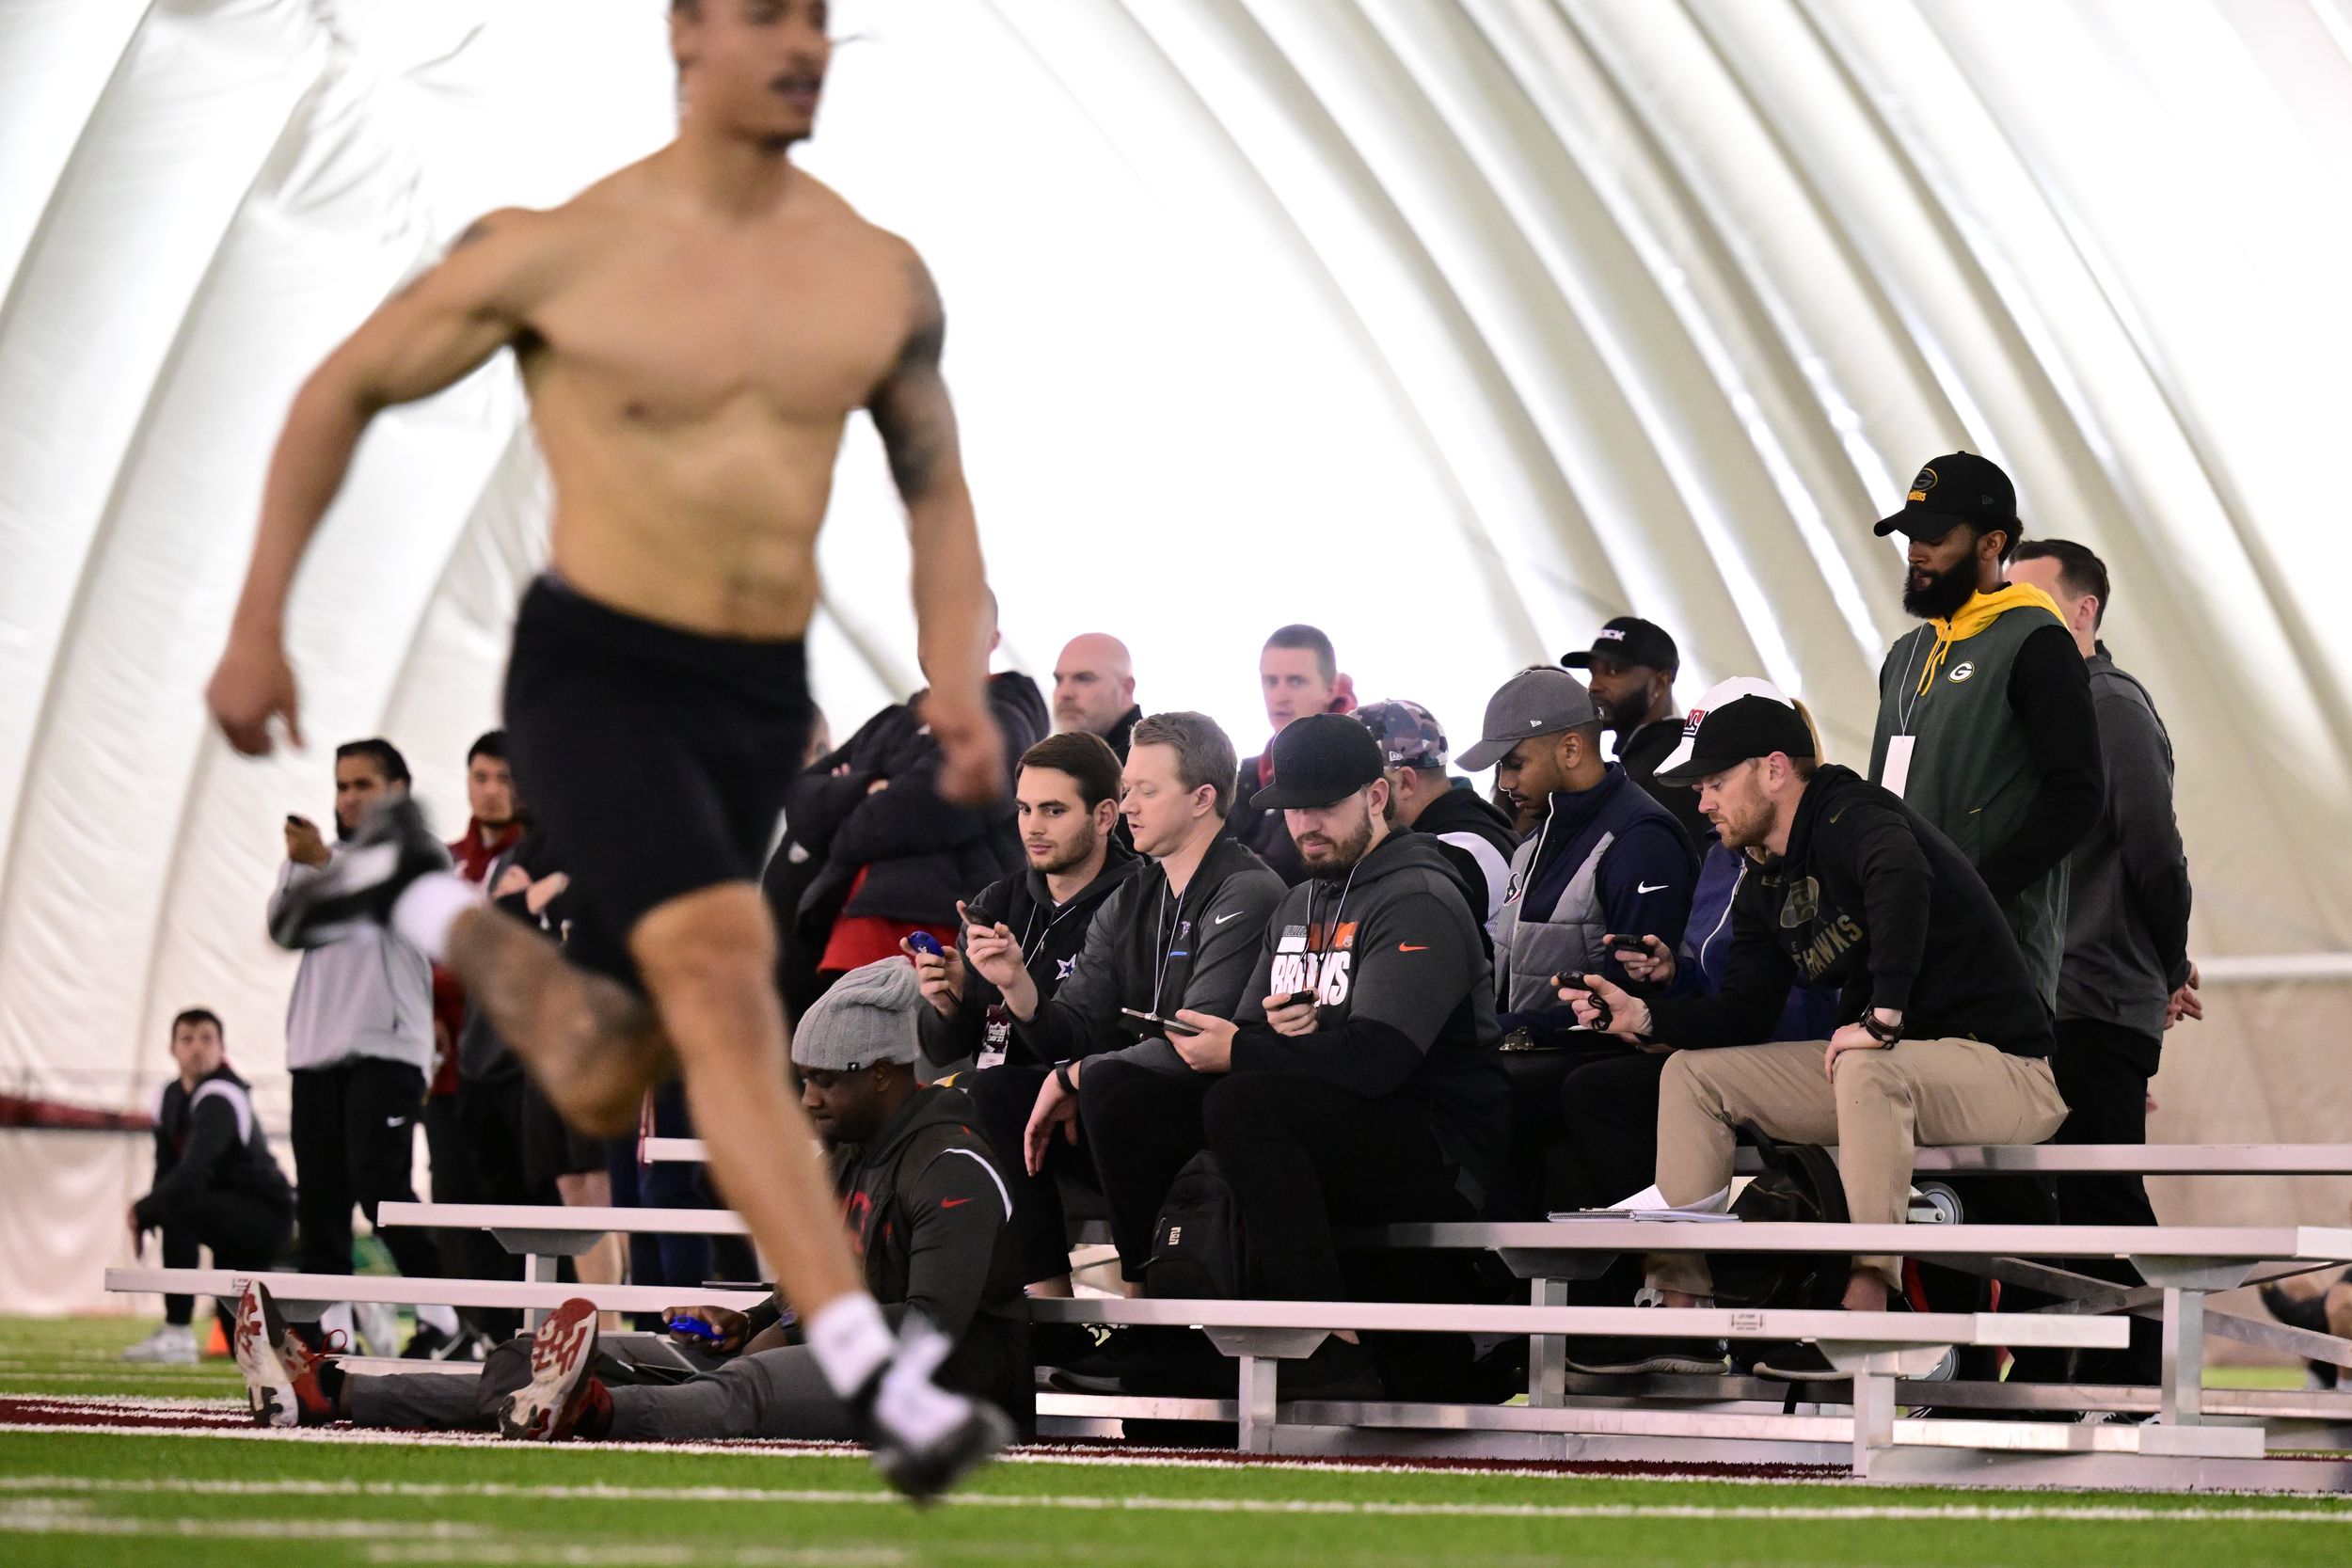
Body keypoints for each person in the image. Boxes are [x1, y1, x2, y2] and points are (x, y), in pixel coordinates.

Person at [204, 0, 1011, 1494]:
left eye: (823, 19)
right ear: (687, 33)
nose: (806, 45)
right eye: (769, 16)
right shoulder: (560, 249)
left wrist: (954, 673)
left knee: (598, 1063)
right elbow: (343, 389)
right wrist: (260, 620)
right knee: (716, 988)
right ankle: (873, 1382)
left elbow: (936, 490)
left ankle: (406, 887)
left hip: (755, 698)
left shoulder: (874, 275)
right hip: (596, 668)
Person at [230, 958, 1029, 1445]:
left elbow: (929, 1325)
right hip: (836, 1359)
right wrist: (752, 1319)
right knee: (534, 1353)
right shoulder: (850, 1152)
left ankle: (590, 1412)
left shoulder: (952, 1163)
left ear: (887, 1072)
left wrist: (779, 1342)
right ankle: (329, 1392)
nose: (808, 1096)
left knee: (733, 1390)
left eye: (825, 1079)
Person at [1567, 681, 2067, 1380]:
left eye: (1714, 781)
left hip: (2007, 1068)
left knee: (1865, 1062)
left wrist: (1882, 1014)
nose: (1702, 801)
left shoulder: (1850, 811)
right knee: (1690, 1073)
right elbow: (1743, 1013)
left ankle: (1865, 1307)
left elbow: (1902, 875)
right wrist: (1647, 1016)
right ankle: (1684, 1309)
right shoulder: (1765, 877)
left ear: (1774, 768)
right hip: (1893, 1070)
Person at [971, 713, 1282, 1306]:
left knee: (1112, 1081)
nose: (1127, 803)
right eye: (1126, 788)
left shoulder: (1247, 888)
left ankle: (1145, 1313)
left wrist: (1074, 1075)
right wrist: (1016, 985)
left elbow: (1193, 1042)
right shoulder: (1135, 893)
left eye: (1146, 790)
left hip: (1207, 1115)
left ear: (1201, 799)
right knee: (996, 1094)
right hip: (1126, 1113)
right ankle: (1049, 1307)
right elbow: (1076, 1027)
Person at [2006, 539, 2196, 1387]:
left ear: (2085, 611)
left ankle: (2143, 1378)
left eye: (2034, 599)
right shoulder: (2037, 707)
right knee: (2054, 1205)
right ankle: (2068, 1381)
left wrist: (2170, 964)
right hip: (2049, 999)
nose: (2015, 617)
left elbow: (2156, 852)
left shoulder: (2108, 703)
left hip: (2093, 996)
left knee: (2098, 1199)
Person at [1867, 452, 2101, 1007]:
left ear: (1992, 544)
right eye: (1909, 534)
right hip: (1904, 946)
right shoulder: (1905, 655)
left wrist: (1975, 892)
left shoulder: (2037, 642)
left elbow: (2078, 794)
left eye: (1935, 536)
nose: (1916, 551)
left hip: (1994, 957)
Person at [268, 739, 462, 1355]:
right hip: (315, 1048)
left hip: (387, 1048)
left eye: (363, 785)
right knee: (321, 1201)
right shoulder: (313, 859)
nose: (348, 797)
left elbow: (395, 908)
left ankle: (446, 1323)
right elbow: (287, 926)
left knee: (382, 1190)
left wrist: (321, 861)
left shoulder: (417, 855)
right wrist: (315, 864)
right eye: (341, 785)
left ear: (398, 792)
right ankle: (335, 1335)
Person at [787, 597, 1047, 987]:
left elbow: (933, 802)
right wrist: (868, 787)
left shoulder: (1003, 720)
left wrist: (847, 810)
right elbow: (802, 800)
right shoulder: (891, 722)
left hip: (927, 935)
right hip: (842, 930)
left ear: (992, 639)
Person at [910, 731, 1138, 1077]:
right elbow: (944, 1052)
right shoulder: (996, 902)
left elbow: (1098, 1045)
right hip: (987, 1093)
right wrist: (949, 1004)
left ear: (1105, 816)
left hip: (1076, 1101)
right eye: (1025, 809)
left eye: (1053, 810)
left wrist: (1017, 984)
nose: (1033, 827)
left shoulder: (1139, 904)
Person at [424, 730, 525, 1356]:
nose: (491, 791)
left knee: (515, 1204)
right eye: (481, 777)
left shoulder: (540, 859)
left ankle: (521, 1329)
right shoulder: (443, 862)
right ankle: (473, 1330)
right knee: (454, 1200)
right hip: (446, 1070)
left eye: (505, 778)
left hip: (513, 1070)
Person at [120, 1009, 294, 1364]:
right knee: (245, 1349)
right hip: (227, 1216)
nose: (197, 1048)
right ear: (172, 1048)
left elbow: (192, 1172)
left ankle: (178, 1330)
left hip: (263, 1215)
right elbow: (166, 1169)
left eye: (206, 1038)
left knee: (178, 1205)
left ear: (222, 1047)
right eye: (187, 1039)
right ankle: (352, 1317)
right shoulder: (167, 1097)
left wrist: (143, 1210)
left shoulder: (220, 1096)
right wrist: (153, 1213)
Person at [1354, 699, 1518, 931]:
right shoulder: (1472, 831)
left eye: (1358, 788)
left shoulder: (1456, 855)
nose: (1346, 804)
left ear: (1404, 783)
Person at [1563, 617, 1711, 849]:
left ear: (1660, 682)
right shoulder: (1637, 758)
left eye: (1614, 671)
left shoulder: (1673, 766)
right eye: (1593, 672)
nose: (1594, 686)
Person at [1228, 625, 1357, 885]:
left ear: (1331, 688)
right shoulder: (1255, 772)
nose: (1280, 696)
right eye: (1270, 681)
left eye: (1295, 681)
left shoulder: (1354, 763)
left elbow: (1279, 870)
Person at [1051, 633, 1142, 759]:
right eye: (1059, 680)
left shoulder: (1146, 766)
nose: (1065, 693)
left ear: (1126, 689)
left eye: (1083, 679)